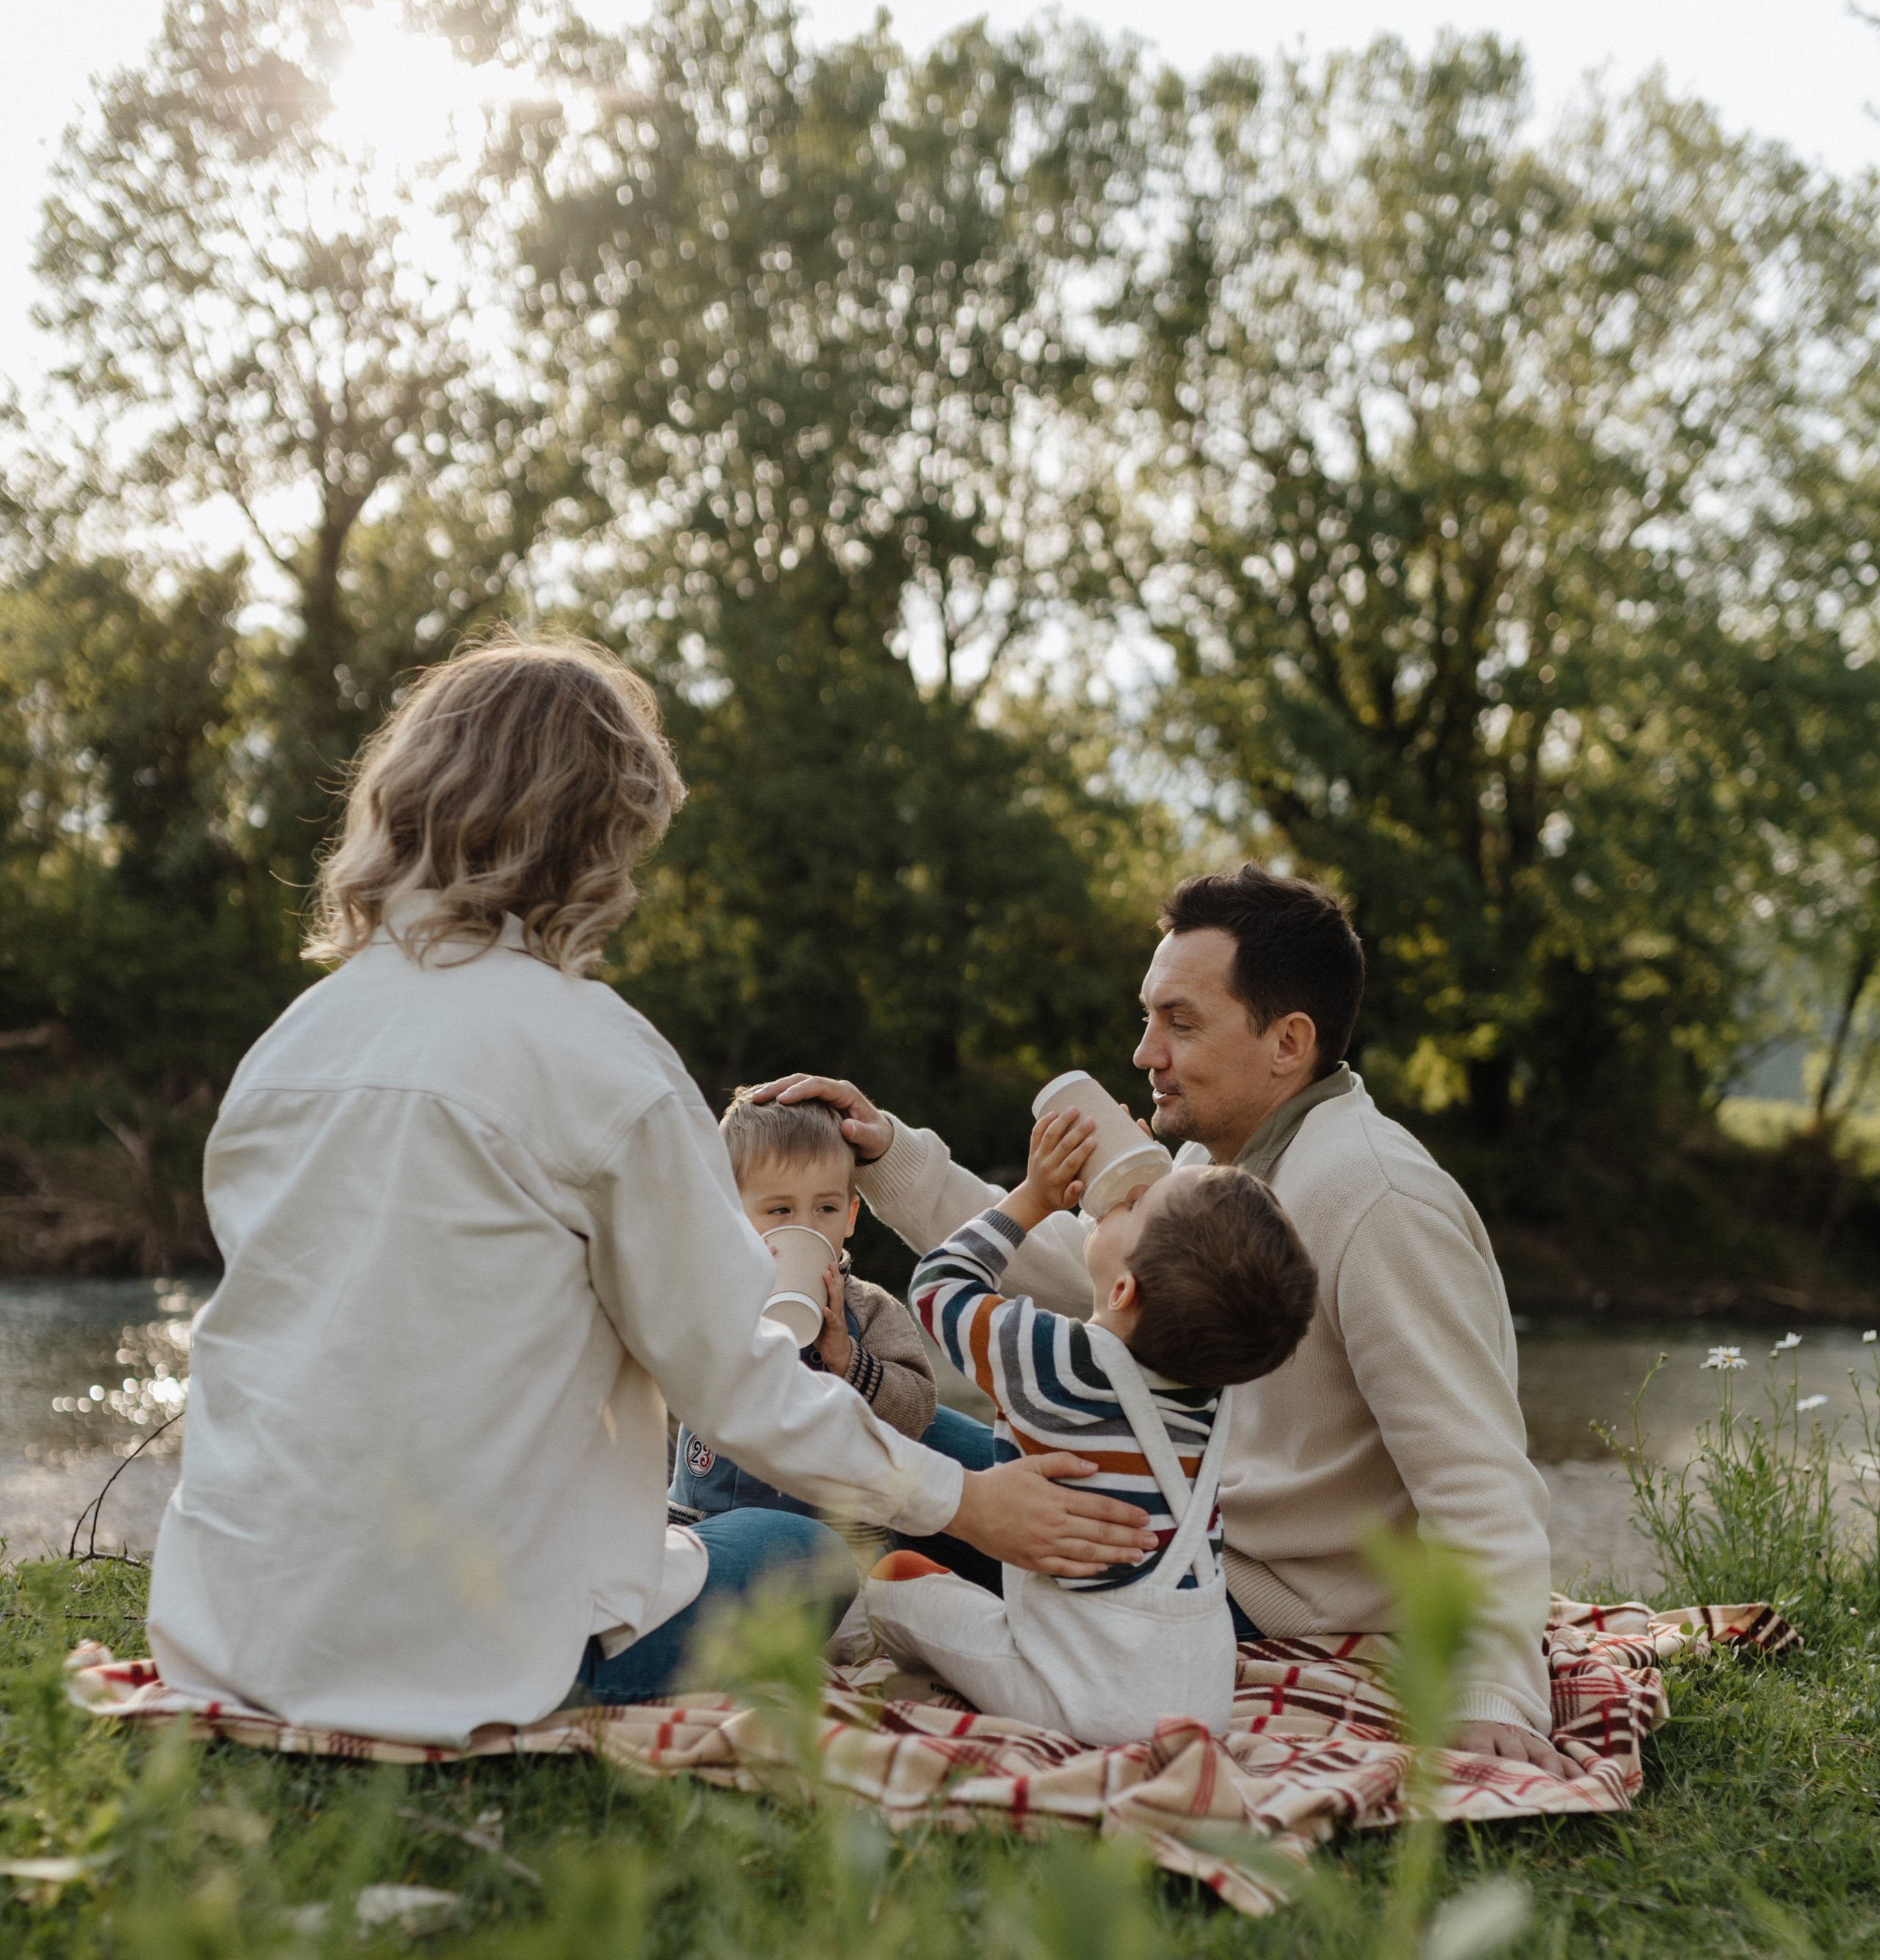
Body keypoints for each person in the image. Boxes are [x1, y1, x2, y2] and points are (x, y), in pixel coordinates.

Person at [145, 637, 1154, 1740]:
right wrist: (970, 1505)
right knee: (799, 1554)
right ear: (591, 838)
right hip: (466, 1648)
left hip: (231, 1632)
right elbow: (740, 1383)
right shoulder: (598, 1057)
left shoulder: (291, 1045)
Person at [756, 862, 1576, 1777]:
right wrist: (888, 1156)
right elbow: (1080, 1268)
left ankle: (725, 1583)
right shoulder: (1215, 1169)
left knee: (868, 1487)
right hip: (1171, 1520)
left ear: (1287, 1042)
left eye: (1179, 1024)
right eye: (1148, 1018)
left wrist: (1493, 1687)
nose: (1145, 1052)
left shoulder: (1379, 1199)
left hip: (1231, 1588)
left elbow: (1477, 1475)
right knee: (883, 1427)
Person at [865, 1106, 1317, 1742]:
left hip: (1082, 1700)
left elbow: (940, 1286)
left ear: (1126, 1290)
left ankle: (940, 1675)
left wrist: (1033, 1198)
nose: (1120, 1199)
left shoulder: (1059, 1361)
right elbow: (1124, 1297)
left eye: (1133, 1204)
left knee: (896, 1579)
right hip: (1200, 1702)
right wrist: (1110, 1209)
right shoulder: (1207, 1390)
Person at [668, 1087, 988, 1523]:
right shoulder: (704, 1294)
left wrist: (849, 1360)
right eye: (780, 1210)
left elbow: (919, 1410)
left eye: (826, 1208)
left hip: (834, 1538)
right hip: (701, 1522)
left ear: (852, 1215)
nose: (805, 1226)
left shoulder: (870, 1309)